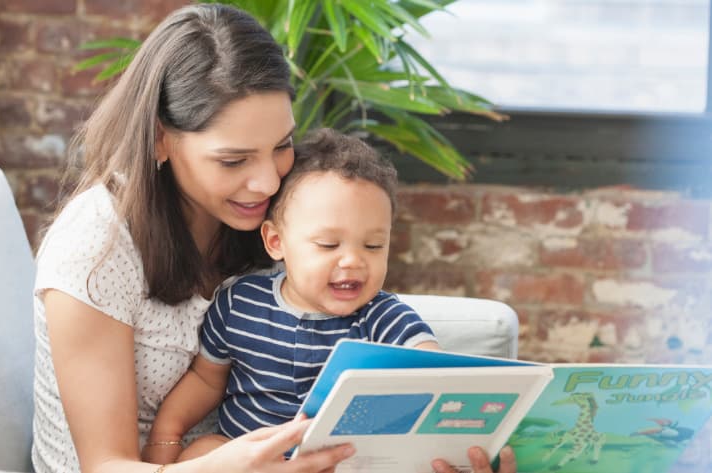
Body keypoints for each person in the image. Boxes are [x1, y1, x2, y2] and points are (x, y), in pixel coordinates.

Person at [31, 3, 517, 473]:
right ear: (160, 139)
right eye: (233, 160)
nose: (267, 182)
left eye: (282, 145)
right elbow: (104, 466)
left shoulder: (274, 212)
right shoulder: (96, 245)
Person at [142, 128, 441, 464]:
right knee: (202, 451)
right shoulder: (239, 303)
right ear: (276, 242)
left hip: (335, 463)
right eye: (328, 244)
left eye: (373, 246)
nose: (353, 261)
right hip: (248, 461)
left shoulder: (383, 318)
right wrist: (165, 436)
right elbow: (205, 380)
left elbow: (437, 371)